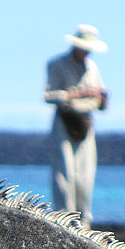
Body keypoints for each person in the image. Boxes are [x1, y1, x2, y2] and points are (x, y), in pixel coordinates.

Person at [43, 24, 108, 229]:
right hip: (65, 120)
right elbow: (49, 95)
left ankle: (84, 224)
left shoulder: (92, 67)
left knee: (85, 176)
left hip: (86, 123)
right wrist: (77, 94)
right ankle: (64, 220)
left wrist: (100, 98)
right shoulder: (56, 64)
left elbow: (101, 101)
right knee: (64, 173)